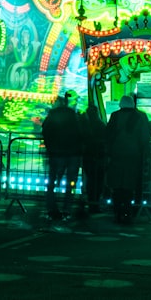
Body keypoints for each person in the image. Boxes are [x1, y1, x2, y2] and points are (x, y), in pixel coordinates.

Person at [106, 94, 151, 224]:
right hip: (133, 156)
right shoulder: (140, 116)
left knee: (117, 186)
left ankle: (117, 212)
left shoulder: (115, 116)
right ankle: (128, 212)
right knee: (129, 186)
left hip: (116, 155)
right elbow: (145, 137)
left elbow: (108, 134)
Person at [41, 94, 82, 222]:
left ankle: (52, 209)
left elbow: (46, 131)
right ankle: (67, 209)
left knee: (51, 182)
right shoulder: (73, 115)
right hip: (72, 153)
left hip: (56, 153)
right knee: (71, 182)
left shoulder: (52, 115)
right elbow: (80, 132)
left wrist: (49, 147)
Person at [78, 103, 108, 214]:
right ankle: (95, 204)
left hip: (87, 156)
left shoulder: (84, 124)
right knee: (98, 181)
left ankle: (90, 202)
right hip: (98, 157)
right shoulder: (99, 125)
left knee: (90, 180)